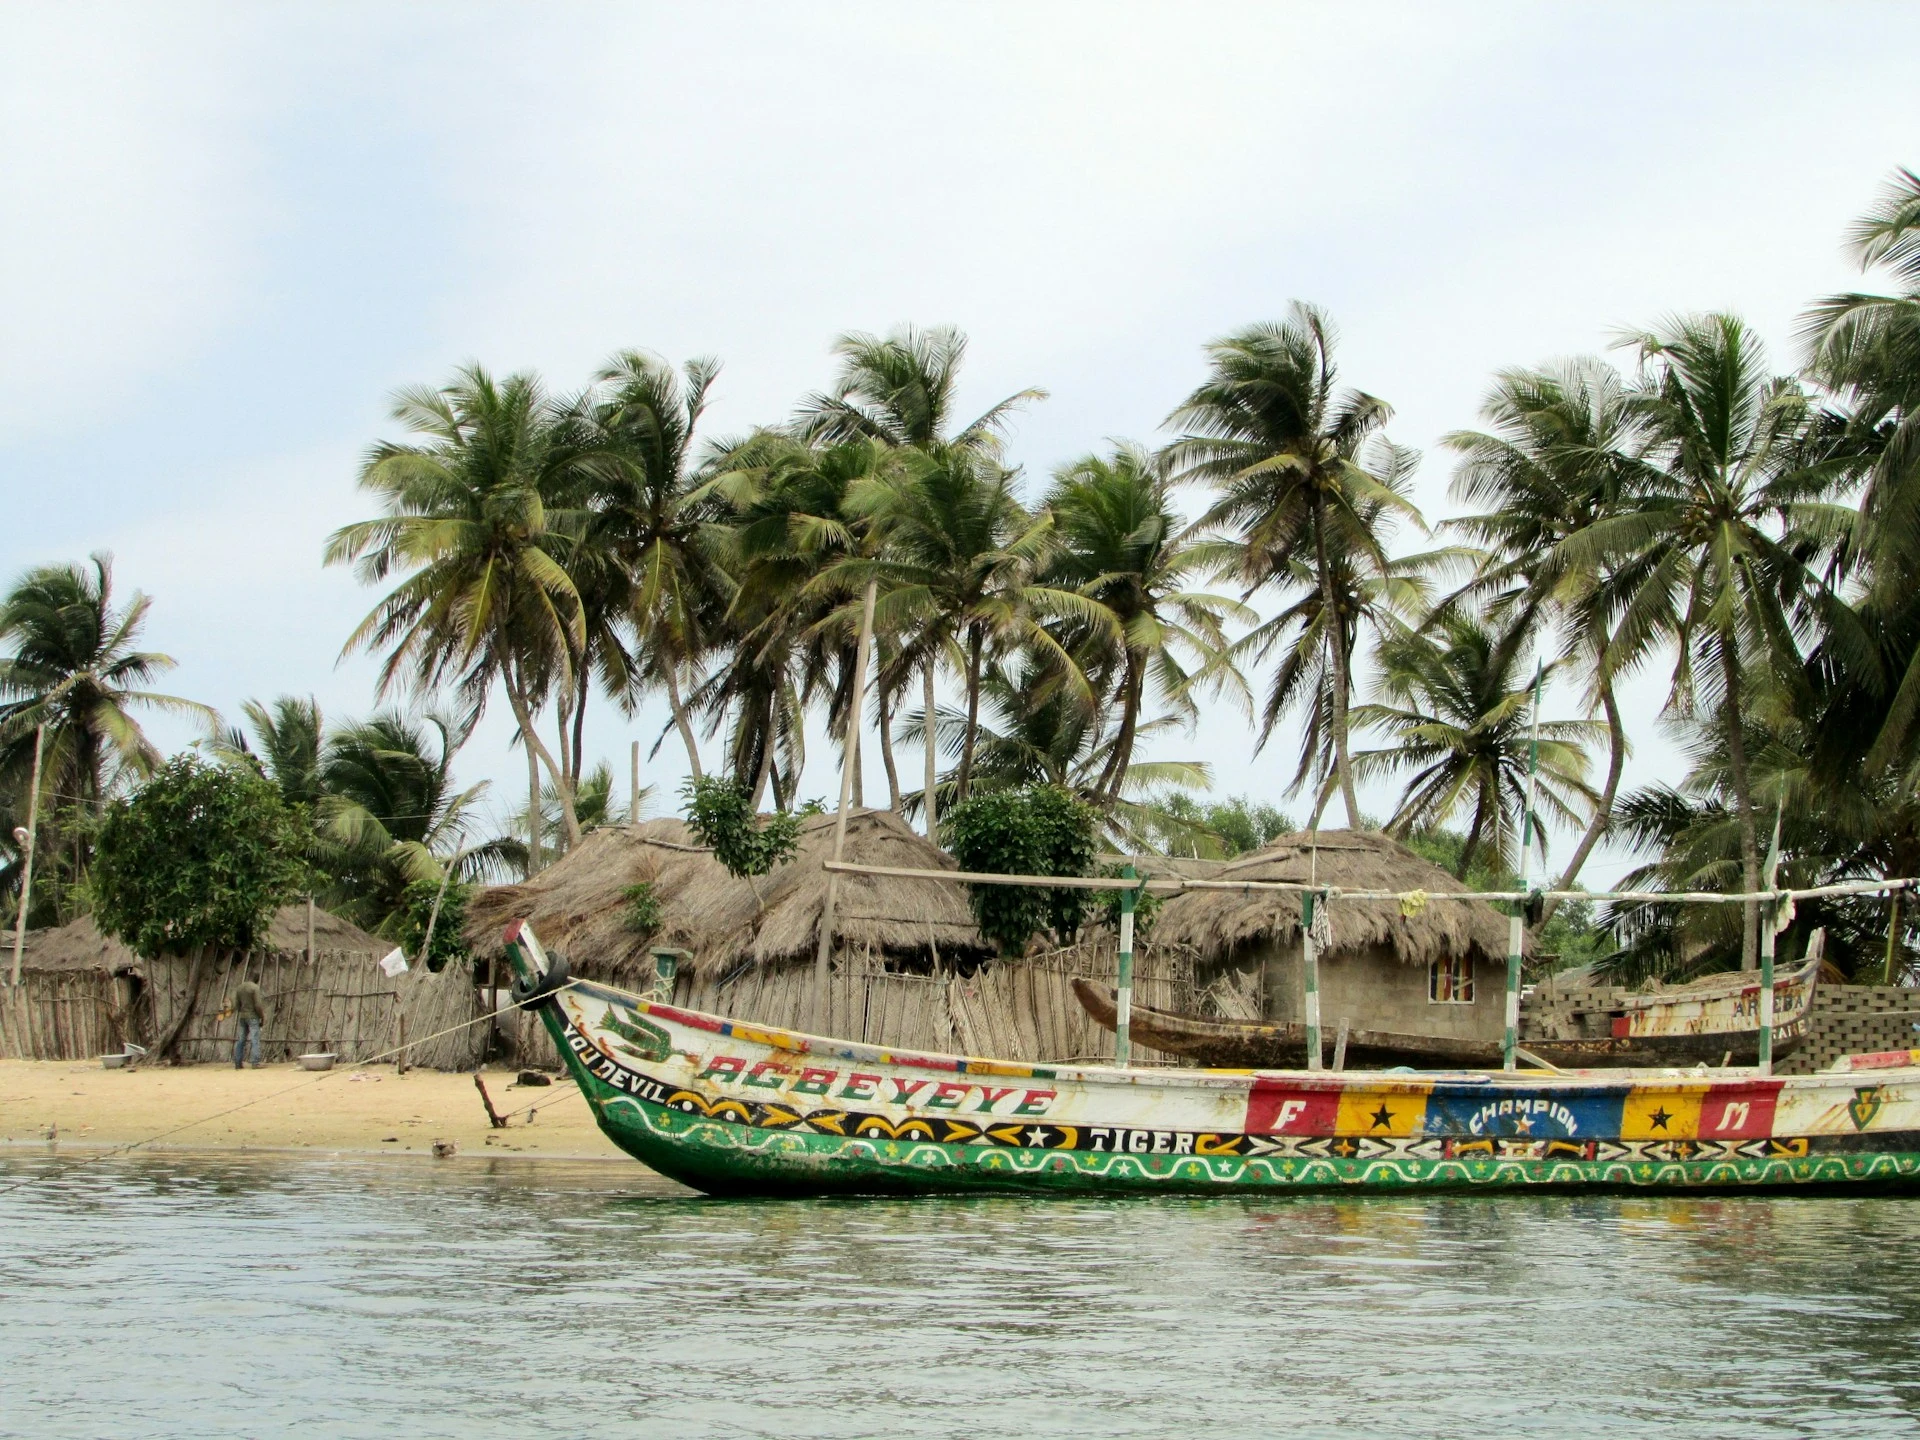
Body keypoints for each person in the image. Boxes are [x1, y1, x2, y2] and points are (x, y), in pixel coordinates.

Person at [232, 973, 266, 1069]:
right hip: (253, 1016)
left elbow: (236, 1005)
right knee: (255, 1039)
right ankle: (255, 1062)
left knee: (241, 1040)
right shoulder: (255, 988)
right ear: (257, 979)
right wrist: (262, 1016)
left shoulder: (240, 988)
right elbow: (258, 1005)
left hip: (243, 1017)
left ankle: (238, 1063)